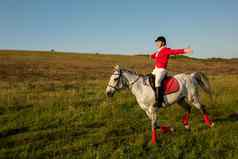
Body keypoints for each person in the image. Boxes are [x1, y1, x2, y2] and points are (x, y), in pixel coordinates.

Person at [150, 36, 192, 108]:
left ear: (162, 43)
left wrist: (185, 50)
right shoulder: (158, 51)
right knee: (149, 78)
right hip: (156, 70)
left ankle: (159, 101)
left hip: (162, 70)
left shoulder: (166, 50)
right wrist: (152, 55)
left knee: (157, 82)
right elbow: (154, 56)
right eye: (156, 42)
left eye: (158, 42)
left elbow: (175, 51)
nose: (156, 43)